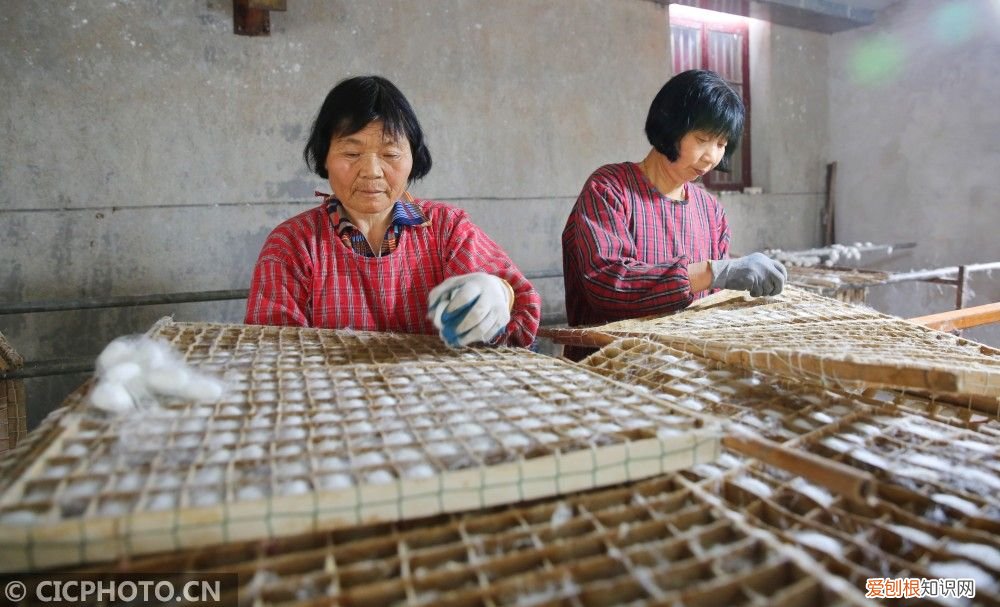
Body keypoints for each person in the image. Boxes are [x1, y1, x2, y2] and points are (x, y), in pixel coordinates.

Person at [246, 76, 540, 348]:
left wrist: (500, 293)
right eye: (351, 153)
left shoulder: (447, 229)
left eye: (390, 154)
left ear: (414, 157)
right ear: (324, 157)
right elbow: (273, 352)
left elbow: (524, 311)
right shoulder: (293, 245)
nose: (372, 171)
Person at [561, 69, 785, 359]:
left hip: (684, 374)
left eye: (721, 144)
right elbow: (608, 285)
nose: (711, 157)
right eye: (703, 138)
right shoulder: (609, 189)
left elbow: (711, 306)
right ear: (671, 126)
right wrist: (714, 272)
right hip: (608, 370)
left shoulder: (710, 210)